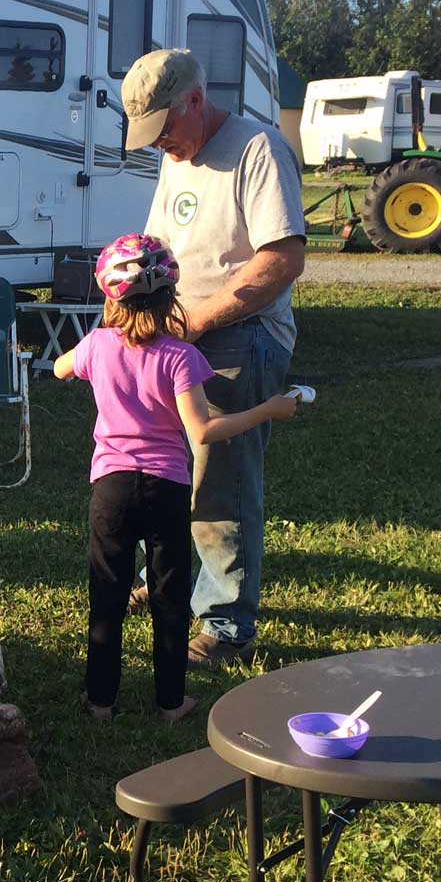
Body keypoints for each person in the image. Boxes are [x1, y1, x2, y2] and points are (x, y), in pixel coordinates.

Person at [54, 235, 297, 720]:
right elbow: (204, 431)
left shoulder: (97, 345)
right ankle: (171, 702)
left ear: (110, 297)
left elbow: (62, 368)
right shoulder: (181, 358)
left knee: (108, 593)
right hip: (166, 488)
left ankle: (100, 700)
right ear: (172, 298)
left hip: (112, 488)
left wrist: (89, 358)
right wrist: (268, 408)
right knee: (169, 595)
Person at [122, 48, 307, 667]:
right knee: (171, 470)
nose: (159, 146)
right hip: (181, 336)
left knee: (220, 483)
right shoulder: (178, 154)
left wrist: (198, 319)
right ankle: (178, 580)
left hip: (242, 337)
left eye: (163, 131)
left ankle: (227, 624)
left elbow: (282, 259)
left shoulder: (257, 150)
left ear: (194, 101)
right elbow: (158, 245)